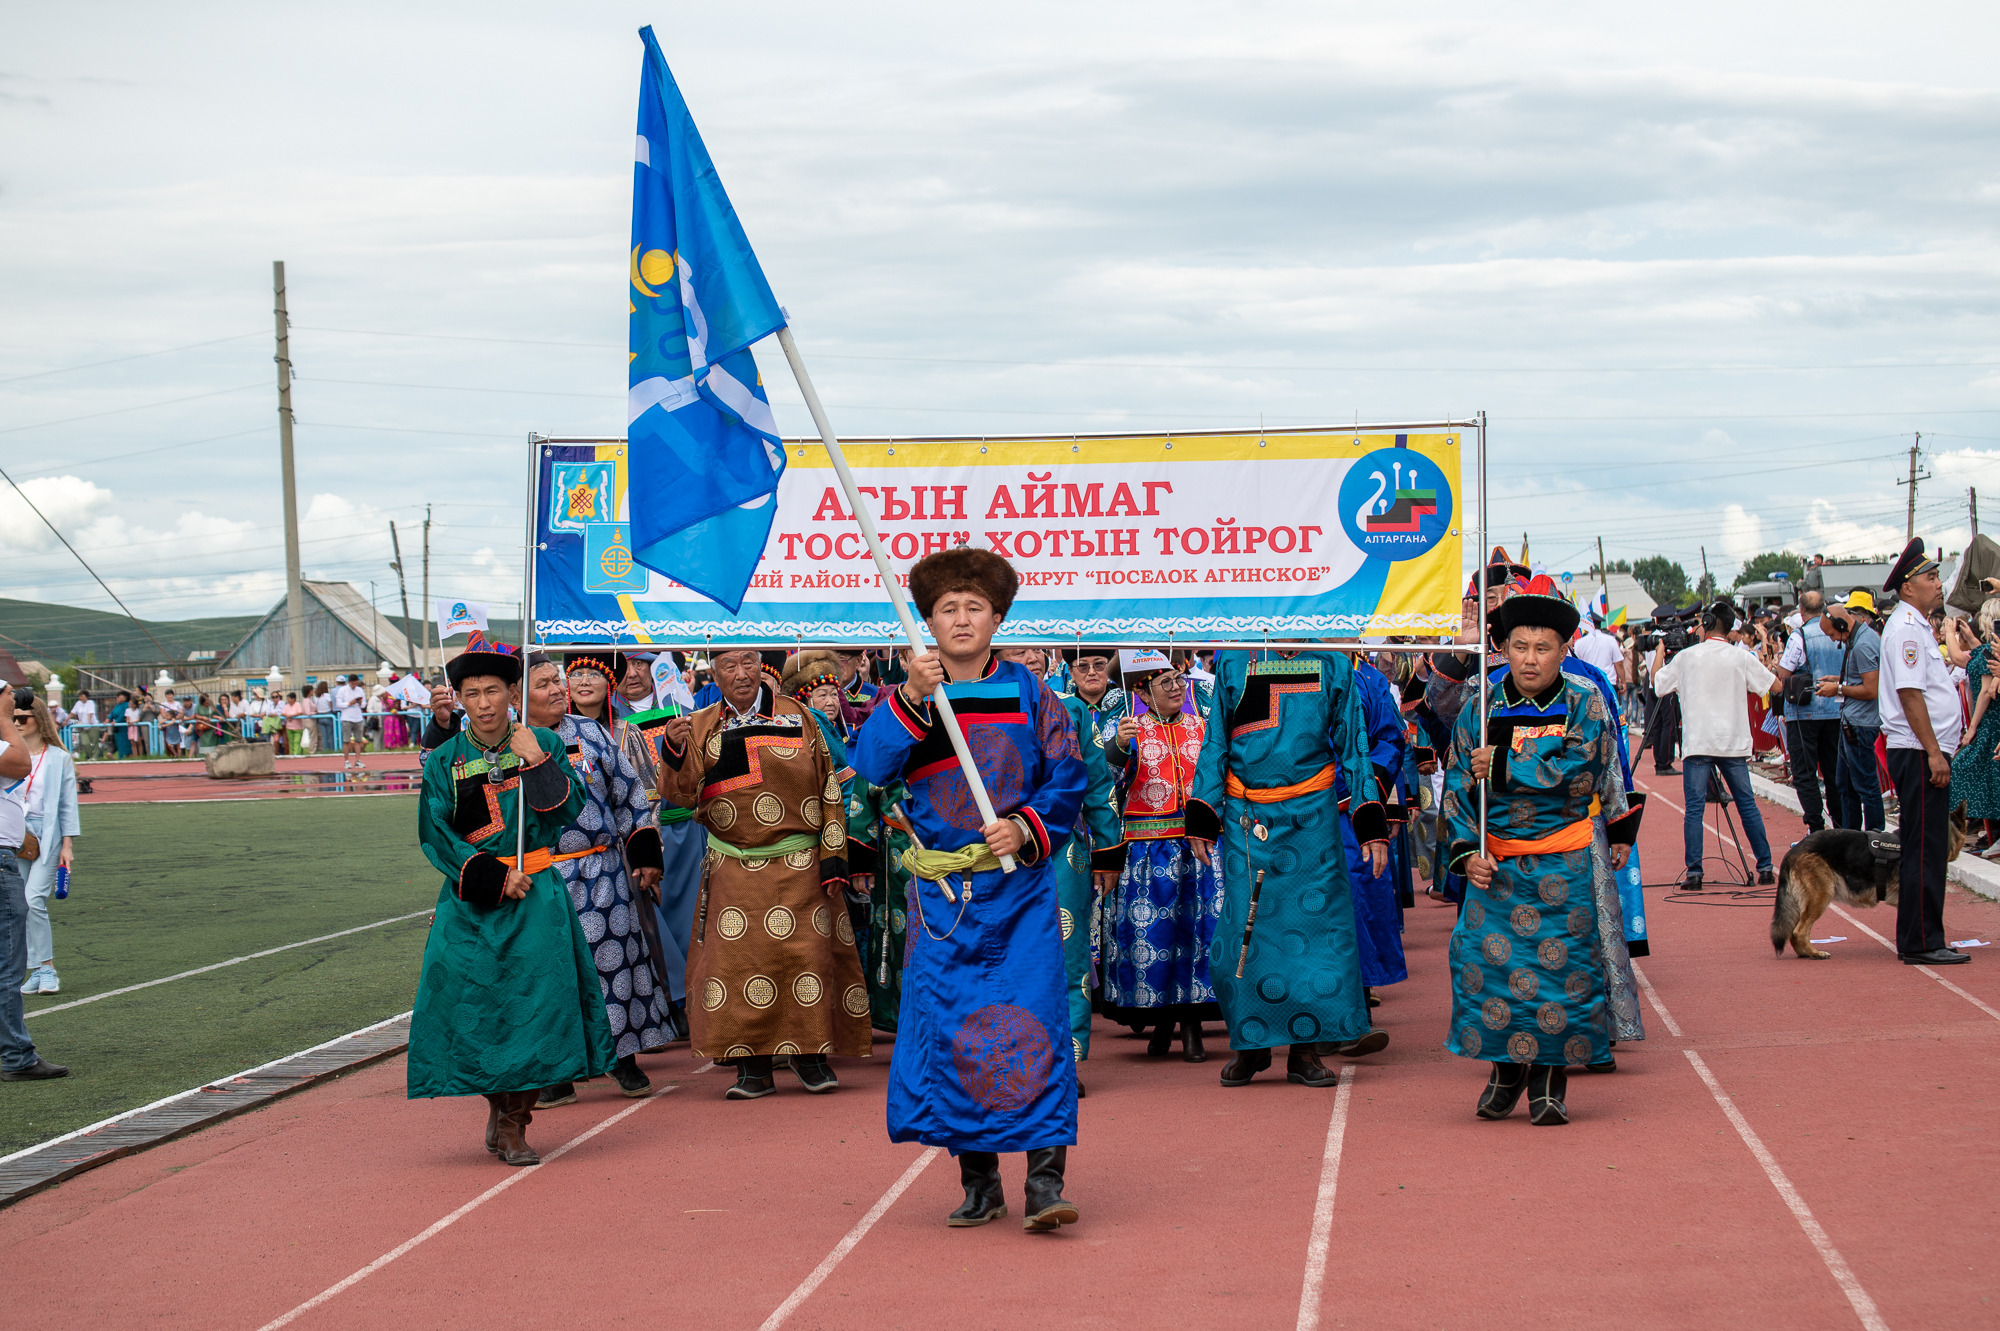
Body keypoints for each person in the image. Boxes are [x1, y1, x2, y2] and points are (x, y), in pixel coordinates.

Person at [851, 548, 1088, 1231]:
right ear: (926, 620)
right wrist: (911, 698)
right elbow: (869, 765)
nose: (961, 619)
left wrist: (1026, 826)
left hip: (1019, 895)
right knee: (955, 1031)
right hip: (943, 902)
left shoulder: (1030, 692)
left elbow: (1068, 776)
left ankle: (1045, 1182)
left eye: (974, 608)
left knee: (1034, 1027)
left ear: (998, 617)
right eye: (947, 609)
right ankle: (978, 1181)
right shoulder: (910, 695)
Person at [408, 633, 614, 1166]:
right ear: (460, 698)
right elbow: (435, 831)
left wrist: (538, 764)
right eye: (471, 693)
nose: (483, 703)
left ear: (512, 691)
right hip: (472, 904)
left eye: (493, 690)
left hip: (537, 899)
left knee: (537, 1010)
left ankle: (515, 1121)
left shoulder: (540, 744)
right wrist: (490, 877)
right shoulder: (444, 761)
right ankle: (497, 1107)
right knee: (475, 1010)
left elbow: (569, 811)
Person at [1443, 583, 1641, 1126]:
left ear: (1564, 649)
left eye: (1544, 647)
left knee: (1563, 974)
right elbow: (1458, 785)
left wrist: (1505, 767)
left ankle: (1551, 1080)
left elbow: (1583, 774)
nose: (1531, 659)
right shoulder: (1480, 707)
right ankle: (1506, 1070)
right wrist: (1466, 853)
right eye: (1520, 646)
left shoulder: (1585, 701)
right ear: (1503, 648)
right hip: (1498, 867)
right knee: (1491, 969)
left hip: (1565, 863)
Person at [657, 649, 869, 1100]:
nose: (741, 674)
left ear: (762, 668)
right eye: (729, 666)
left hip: (801, 864)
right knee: (737, 968)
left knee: (807, 959)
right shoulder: (698, 726)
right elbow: (680, 795)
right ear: (713, 673)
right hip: (733, 865)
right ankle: (752, 1067)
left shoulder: (802, 718)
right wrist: (674, 751)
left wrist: (835, 856)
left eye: (749, 663)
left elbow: (829, 786)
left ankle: (811, 1058)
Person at [1184, 641, 1392, 1092]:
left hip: (1313, 818)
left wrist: (1370, 818)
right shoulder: (1234, 661)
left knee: (1316, 934)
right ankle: (1252, 1045)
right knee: (1244, 933)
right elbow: (1217, 736)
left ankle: (1305, 1050)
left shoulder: (1335, 663)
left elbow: (1355, 745)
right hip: (1246, 816)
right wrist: (1203, 810)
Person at [523, 652, 671, 1107]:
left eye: (556, 680)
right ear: (518, 694)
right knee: (552, 973)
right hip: (540, 877)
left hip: (603, 871)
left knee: (614, 963)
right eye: (544, 683)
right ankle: (558, 1071)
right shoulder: (505, 746)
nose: (557, 689)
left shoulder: (590, 732)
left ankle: (623, 1060)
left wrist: (644, 854)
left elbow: (628, 792)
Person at [1101, 653, 1220, 1062]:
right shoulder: (1127, 730)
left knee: (1197, 937)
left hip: (1200, 849)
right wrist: (1117, 745)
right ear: (1142, 691)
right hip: (1147, 855)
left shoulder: (1201, 727)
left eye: (1178, 679)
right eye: (1165, 682)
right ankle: (1164, 1023)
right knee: (1155, 940)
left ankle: (1190, 1026)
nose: (1176, 688)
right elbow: (1107, 782)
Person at [1878, 540, 1969, 965]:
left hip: (1922, 748)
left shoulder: (1913, 625)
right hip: (1919, 750)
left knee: (1927, 844)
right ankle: (1920, 941)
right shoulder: (1907, 629)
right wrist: (1933, 751)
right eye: (1930, 578)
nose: (1938, 584)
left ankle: (1926, 935)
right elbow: (1910, 694)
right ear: (1908, 587)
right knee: (1924, 847)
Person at [1653, 600, 1778, 890]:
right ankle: (1766, 867)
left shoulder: (1686, 657)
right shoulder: (1741, 657)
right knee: (1747, 805)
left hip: (1698, 743)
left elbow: (1658, 685)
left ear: (1707, 622)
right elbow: (1774, 686)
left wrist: (1660, 651)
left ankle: (1695, 873)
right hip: (1733, 743)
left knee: (1694, 809)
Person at [1047, 646, 1123, 1076]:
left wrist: (1108, 851)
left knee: (1069, 950)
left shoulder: (1074, 711)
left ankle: (1067, 1061)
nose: (1030, 660)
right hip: (992, 850)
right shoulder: (970, 704)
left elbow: (1098, 785)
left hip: (1064, 850)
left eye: (1035, 652)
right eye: (1017, 652)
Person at [1, 682, 67, 1082]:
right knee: (7, 967)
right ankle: (16, 1056)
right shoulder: (8, 743)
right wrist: (3, 720)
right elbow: (20, 764)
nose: (16, 699)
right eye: (9, 694)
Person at [14, 694, 79, 996]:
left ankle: (47, 969)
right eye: (12, 718)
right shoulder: (9, 754)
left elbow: (68, 805)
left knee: (32, 900)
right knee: (20, 905)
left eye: (22, 718)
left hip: (47, 833)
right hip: (14, 833)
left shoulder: (58, 758)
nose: (16, 723)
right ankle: (37, 970)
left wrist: (67, 845)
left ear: (38, 719)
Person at [1773, 590, 1847, 832]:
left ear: (1801, 612)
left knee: (1805, 773)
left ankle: (1816, 827)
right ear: (1824, 607)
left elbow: (1784, 672)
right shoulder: (1840, 632)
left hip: (1804, 712)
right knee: (1834, 773)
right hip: (1836, 710)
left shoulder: (1800, 635)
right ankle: (1841, 826)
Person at [1824, 592, 1886, 833]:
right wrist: (1838, 680)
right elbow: (1860, 678)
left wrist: (1838, 688)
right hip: (1852, 722)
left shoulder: (1864, 644)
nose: (1831, 640)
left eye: (1831, 633)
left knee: (1865, 786)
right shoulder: (1856, 640)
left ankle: (1874, 839)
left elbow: (1871, 689)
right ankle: (1850, 838)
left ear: (1841, 625)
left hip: (1861, 724)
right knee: (1846, 785)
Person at [1951, 600, 2000, 854]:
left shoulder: (1990, 650)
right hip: (1991, 720)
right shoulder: (1987, 650)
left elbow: (1985, 693)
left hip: (1992, 720)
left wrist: (1972, 729)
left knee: (1976, 771)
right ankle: (1987, 829)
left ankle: (1986, 829)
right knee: (1988, 775)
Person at [334, 675, 368, 768]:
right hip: (346, 717)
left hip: (358, 717)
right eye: (353, 683)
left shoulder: (360, 690)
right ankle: (347, 761)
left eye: (356, 683)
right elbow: (338, 704)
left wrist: (360, 703)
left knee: (358, 740)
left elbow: (364, 704)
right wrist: (349, 703)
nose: (354, 685)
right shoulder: (342, 690)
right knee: (346, 740)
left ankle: (358, 760)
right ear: (349, 682)